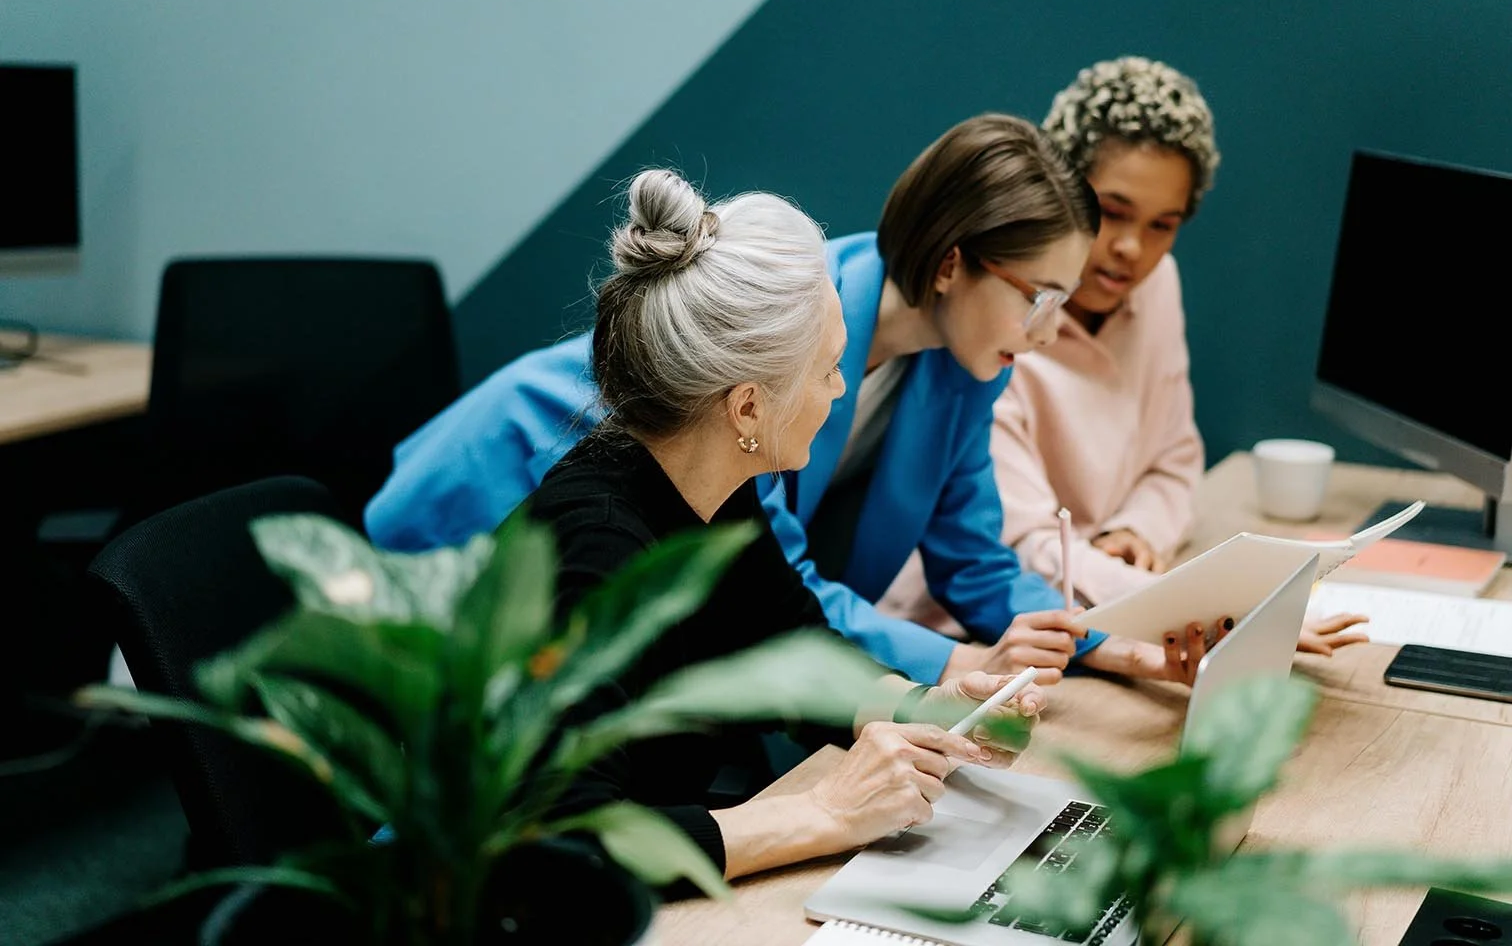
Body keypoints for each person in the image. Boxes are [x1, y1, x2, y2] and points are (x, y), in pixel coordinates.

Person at [366, 113, 1213, 686]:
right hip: (500, 487)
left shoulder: (965, 367)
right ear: (953, 264)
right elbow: (787, 582)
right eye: (1039, 298)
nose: (1045, 332)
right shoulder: (791, 348)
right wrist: (955, 668)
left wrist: (1114, 648)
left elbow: (975, 561)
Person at [535, 167, 1046, 881]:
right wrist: (826, 812)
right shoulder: (594, 548)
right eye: (829, 369)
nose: (840, 391)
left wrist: (931, 708)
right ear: (746, 409)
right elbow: (564, 844)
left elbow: (797, 651)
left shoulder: (716, 490)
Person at [879, 57, 1366, 658]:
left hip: (1092, 612)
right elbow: (1016, 547)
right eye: (1112, 213)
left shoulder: (1157, 288)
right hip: (966, 629)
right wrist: (1205, 605)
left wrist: (1134, 531)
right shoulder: (991, 325)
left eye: (1163, 225)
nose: (1133, 250)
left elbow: (1175, 456)